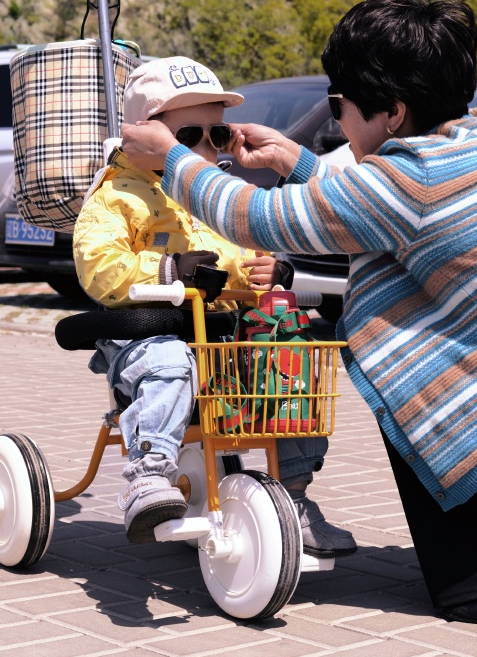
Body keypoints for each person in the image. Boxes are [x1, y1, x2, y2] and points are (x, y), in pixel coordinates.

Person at [118, 0, 477, 625]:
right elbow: (384, 209)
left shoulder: (410, 180)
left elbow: (261, 218)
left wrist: (172, 158)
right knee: (438, 375)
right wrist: (295, 160)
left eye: (338, 104)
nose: (337, 119)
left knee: (416, 391)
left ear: (393, 112)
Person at [73, 56, 356, 557]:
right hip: (149, 331)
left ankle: (293, 495)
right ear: (142, 133)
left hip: (220, 338)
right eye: (188, 137)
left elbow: (241, 255)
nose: (204, 150)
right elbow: (99, 267)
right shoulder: (115, 196)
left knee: (289, 360)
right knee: (168, 360)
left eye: (217, 136)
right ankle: (148, 474)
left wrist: (271, 270)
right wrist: (168, 270)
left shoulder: (212, 194)